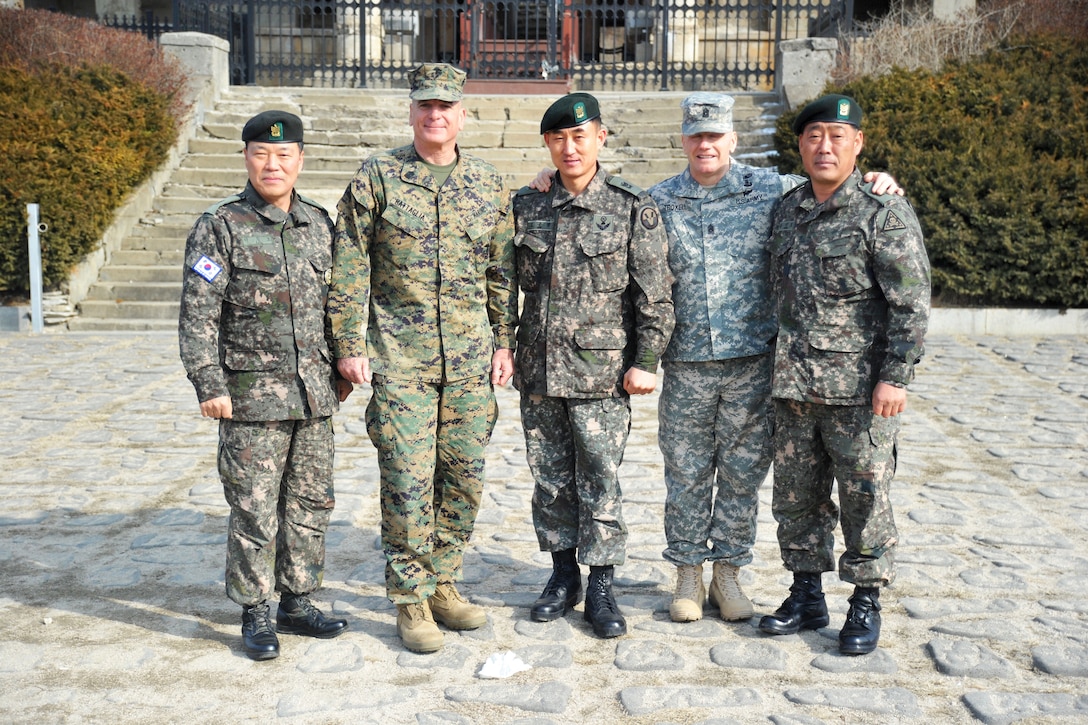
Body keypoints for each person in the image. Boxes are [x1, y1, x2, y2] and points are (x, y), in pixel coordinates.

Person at [649, 93, 903, 625]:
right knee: (686, 474)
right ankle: (689, 574)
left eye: (714, 135)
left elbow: (835, 183)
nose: (705, 145)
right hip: (687, 363)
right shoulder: (657, 200)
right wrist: (543, 177)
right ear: (683, 141)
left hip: (755, 365)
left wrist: (879, 178)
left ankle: (729, 573)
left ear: (732, 141)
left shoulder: (773, 190)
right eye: (696, 135)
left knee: (743, 477)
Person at [327, 64, 517, 654]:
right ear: (411, 114)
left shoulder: (487, 184)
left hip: (467, 362)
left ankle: (444, 584)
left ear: (462, 115)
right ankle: (410, 599)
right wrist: (348, 344)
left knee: (462, 479)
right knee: (408, 483)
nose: (435, 116)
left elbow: (500, 271)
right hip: (401, 362)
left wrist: (504, 340)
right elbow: (350, 264)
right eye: (425, 107)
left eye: (446, 107)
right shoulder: (378, 178)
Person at [757, 94, 930, 655]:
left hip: (859, 391)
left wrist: (896, 377)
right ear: (800, 145)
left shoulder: (884, 212)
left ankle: (865, 601)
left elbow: (911, 303)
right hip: (793, 387)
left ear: (858, 143)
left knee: (864, 497)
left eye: (837, 135)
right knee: (796, 499)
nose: (824, 146)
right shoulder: (788, 209)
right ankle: (806, 594)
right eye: (813, 136)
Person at [178, 110, 351, 661]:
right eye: (260, 153)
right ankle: (255, 610)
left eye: (283, 155)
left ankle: (297, 603)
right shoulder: (220, 226)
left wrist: (342, 366)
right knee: (254, 507)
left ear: (300, 159)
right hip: (249, 396)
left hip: (314, 396)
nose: (271, 164)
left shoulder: (320, 224)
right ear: (246, 158)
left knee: (310, 502)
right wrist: (209, 382)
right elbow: (198, 313)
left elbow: (339, 304)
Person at [512, 92, 675, 639]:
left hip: (602, 375)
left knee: (601, 477)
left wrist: (647, 360)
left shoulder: (632, 207)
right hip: (538, 371)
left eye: (579, 136)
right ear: (547, 144)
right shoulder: (527, 204)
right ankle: (562, 575)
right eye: (558, 138)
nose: (569, 147)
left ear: (601, 137)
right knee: (550, 480)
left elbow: (655, 293)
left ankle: (601, 583)